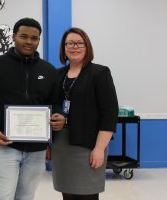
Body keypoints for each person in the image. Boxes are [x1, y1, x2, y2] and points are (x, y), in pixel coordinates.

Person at [0, 18, 58, 200]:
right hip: (2, 144)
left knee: (26, 196)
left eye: (34, 38)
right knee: (2, 196)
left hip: (37, 149)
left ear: (39, 40)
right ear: (14, 37)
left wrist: (53, 133)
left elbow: (55, 105)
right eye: (23, 36)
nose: (29, 42)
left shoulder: (49, 71)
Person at [49, 27, 119, 200]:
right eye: (70, 43)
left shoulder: (100, 73)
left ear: (87, 46)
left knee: (87, 194)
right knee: (67, 194)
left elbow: (109, 113)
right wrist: (48, 144)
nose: (75, 46)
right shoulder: (57, 75)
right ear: (64, 48)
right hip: (62, 146)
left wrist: (99, 149)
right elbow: (51, 108)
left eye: (80, 43)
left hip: (88, 146)